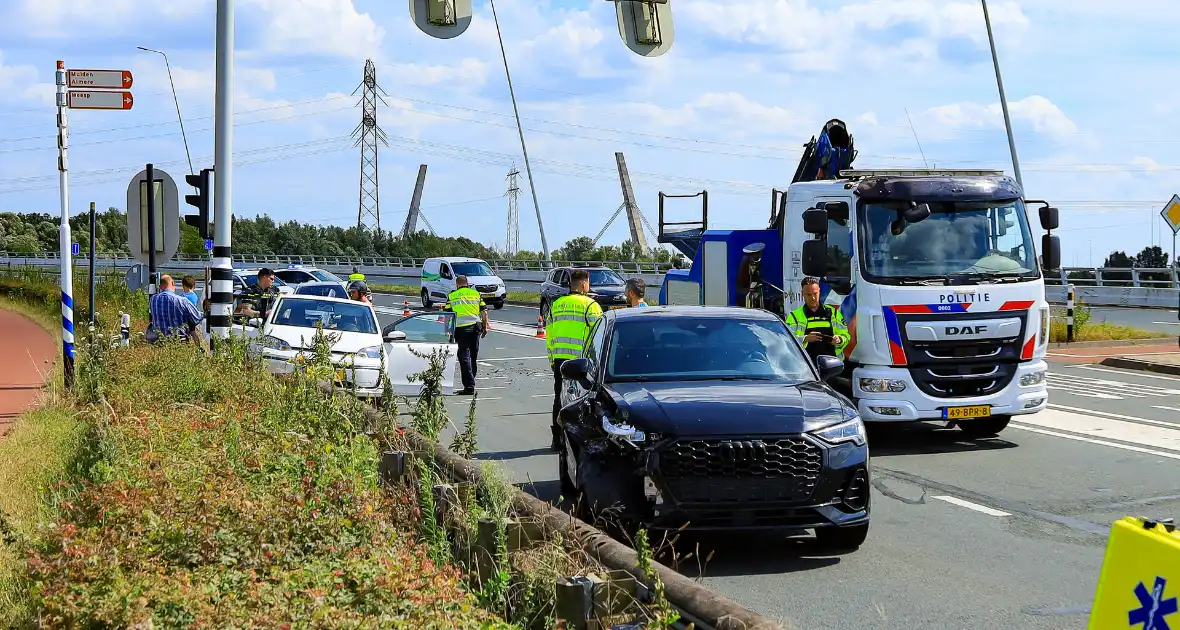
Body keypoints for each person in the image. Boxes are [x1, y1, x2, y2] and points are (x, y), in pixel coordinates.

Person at [545, 268, 602, 450]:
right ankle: (580, 439)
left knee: (559, 398)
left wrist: (552, 359)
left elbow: (549, 334)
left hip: (560, 360)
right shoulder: (590, 305)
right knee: (584, 400)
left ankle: (557, 438)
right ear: (584, 284)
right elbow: (598, 335)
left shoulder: (557, 304)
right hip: (582, 362)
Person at [443, 275, 489, 395]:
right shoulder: (476, 294)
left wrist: (447, 331)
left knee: (464, 357)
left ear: (457, 284)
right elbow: (484, 312)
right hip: (475, 327)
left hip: (461, 329)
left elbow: (447, 316)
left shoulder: (452, 296)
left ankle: (469, 386)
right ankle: (471, 380)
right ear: (467, 283)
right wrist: (485, 327)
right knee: (473, 355)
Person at [786, 277, 849, 363]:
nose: (813, 298)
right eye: (809, 294)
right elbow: (787, 341)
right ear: (802, 294)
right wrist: (805, 339)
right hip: (807, 366)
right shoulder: (794, 316)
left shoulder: (833, 313)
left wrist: (839, 339)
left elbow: (846, 336)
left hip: (832, 364)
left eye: (815, 294)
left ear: (819, 291)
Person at [147, 274, 204, 344]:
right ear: (172, 283)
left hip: (158, 341)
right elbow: (197, 317)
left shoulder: (153, 299)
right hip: (178, 341)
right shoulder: (182, 301)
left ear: (161, 286)